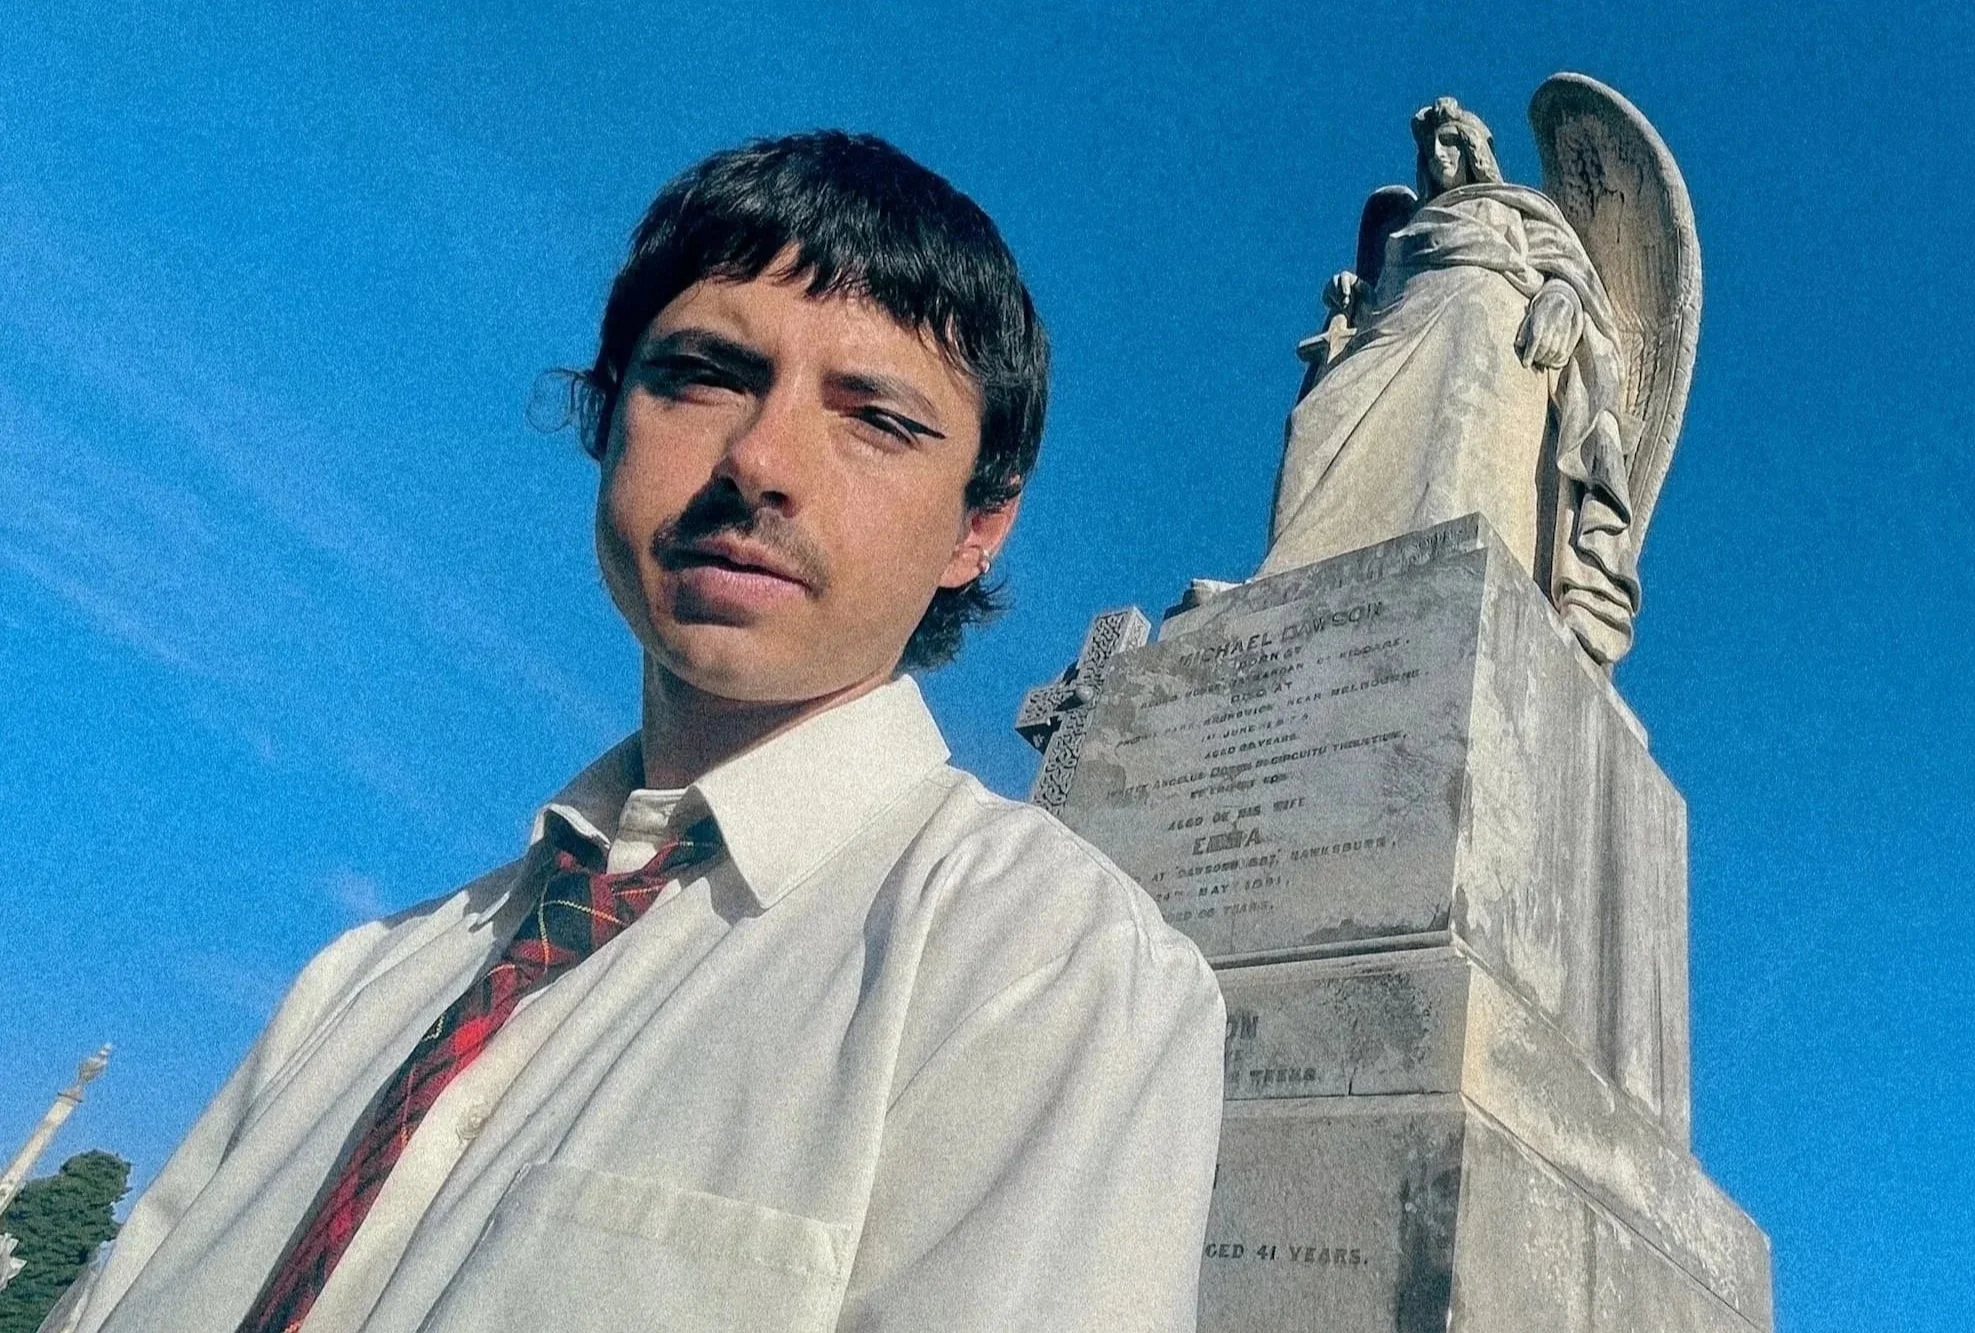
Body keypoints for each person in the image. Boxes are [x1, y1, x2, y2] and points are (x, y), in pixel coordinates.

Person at [60, 131, 1224, 1333]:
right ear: (609, 418)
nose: (761, 462)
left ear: (978, 525)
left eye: (876, 417)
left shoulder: (1044, 965)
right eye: (706, 374)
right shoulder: (357, 985)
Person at [1262, 97, 1639, 665]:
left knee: (1469, 348)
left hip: (1484, 332)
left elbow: (1575, 283)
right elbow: (1385, 304)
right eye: (1429, 147)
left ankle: (1438, 542)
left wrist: (1561, 300)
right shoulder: (1410, 230)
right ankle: (1283, 582)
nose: (1438, 154)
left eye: (1450, 142)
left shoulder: (1516, 211)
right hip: (1394, 332)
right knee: (1311, 421)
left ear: (1474, 151)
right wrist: (1355, 297)